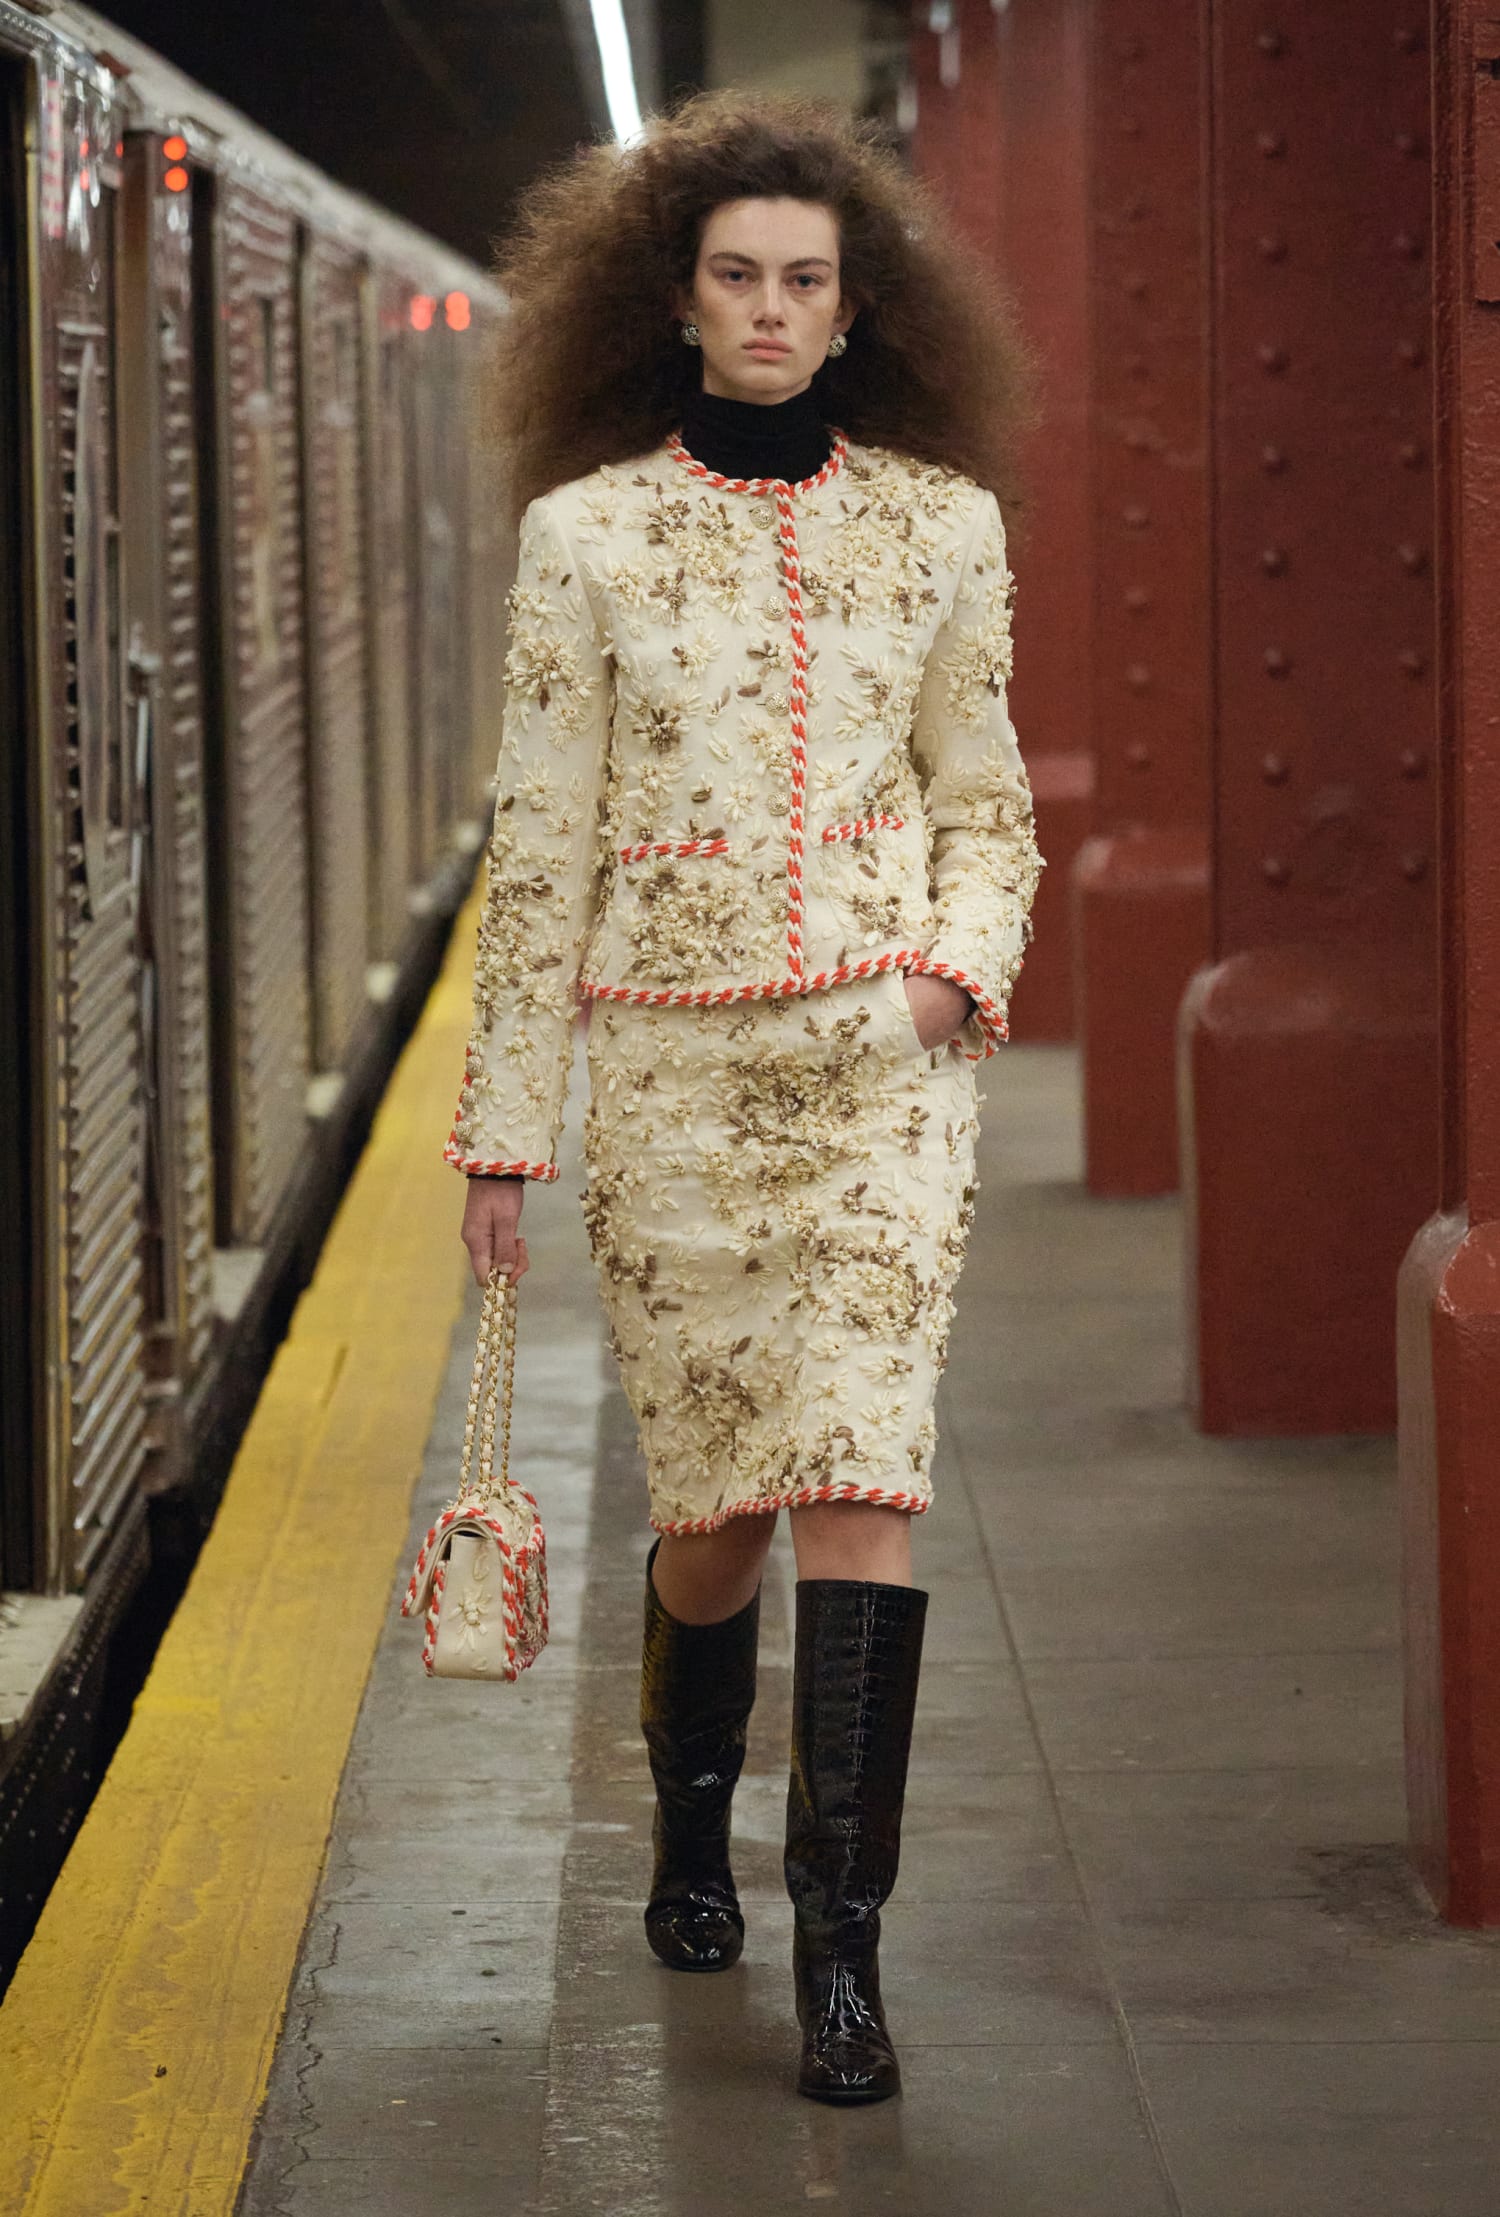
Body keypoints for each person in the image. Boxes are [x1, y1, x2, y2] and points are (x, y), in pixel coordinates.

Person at [450, 93, 1042, 2105]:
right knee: (715, 1522)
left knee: (866, 1481)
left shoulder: (941, 527)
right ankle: (689, 1812)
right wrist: (505, 1132)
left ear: (856, 309)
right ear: (678, 300)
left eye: (806, 280)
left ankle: (842, 1961)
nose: (771, 308)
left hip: (883, 1084)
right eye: (737, 277)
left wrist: (955, 969)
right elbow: (539, 848)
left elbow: (988, 805)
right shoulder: (586, 539)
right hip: (672, 1085)